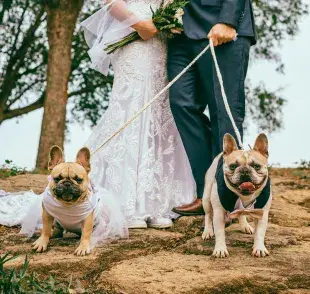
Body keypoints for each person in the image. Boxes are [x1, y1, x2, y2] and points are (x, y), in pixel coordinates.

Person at [80, 0, 195, 229]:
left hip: (161, 40)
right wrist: (138, 23)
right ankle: (128, 204)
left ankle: (157, 203)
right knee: (132, 105)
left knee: (158, 112)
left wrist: (171, 17)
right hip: (133, 33)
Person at [167, 0, 257, 216]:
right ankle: (204, 192)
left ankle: (226, 197)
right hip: (180, 33)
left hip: (222, 27)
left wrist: (228, 20)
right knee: (181, 104)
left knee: (224, 112)